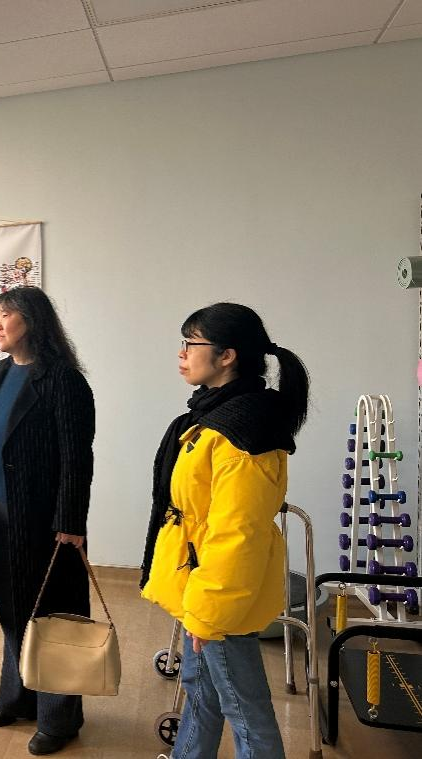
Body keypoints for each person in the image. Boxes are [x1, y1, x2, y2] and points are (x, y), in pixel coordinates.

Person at [141, 302, 310, 759]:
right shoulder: (216, 415)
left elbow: (238, 533)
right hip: (202, 582)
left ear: (227, 355)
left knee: (244, 707)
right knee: (202, 689)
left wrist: (209, 612)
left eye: (190, 343)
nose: (181, 353)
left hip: (219, 592)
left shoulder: (241, 430)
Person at [0, 285, 95, 756]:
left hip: (46, 524)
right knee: (13, 608)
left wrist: (70, 521)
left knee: (52, 615)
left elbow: (77, 458)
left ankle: (60, 718)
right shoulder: (0, 373)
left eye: (6, 315)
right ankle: (18, 698)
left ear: (32, 321)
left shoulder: (64, 381)